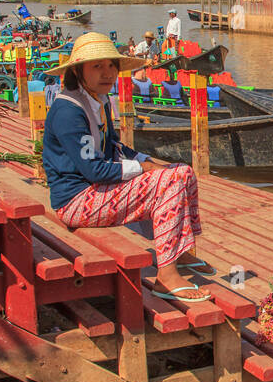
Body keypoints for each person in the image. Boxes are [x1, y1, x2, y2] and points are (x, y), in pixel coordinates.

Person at [42, 32, 201, 282]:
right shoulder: (68, 111)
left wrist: (151, 162)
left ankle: (180, 250)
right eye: (97, 66)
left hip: (97, 190)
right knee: (168, 181)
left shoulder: (99, 101)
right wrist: (144, 168)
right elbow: (93, 170)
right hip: (76, 201)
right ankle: (167, 275)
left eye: (111, 66)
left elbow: (114, 146)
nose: (107, 73)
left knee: (182, 171)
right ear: (78, 71)